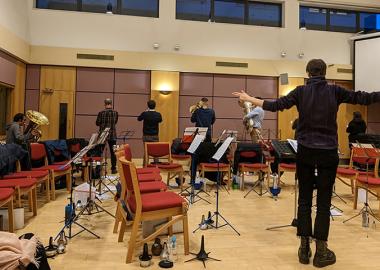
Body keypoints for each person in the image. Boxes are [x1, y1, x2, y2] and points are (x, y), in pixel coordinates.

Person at [233, 59, 380, 268]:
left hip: (305, 151)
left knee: (304, 201)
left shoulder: (300, 92)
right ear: (325, 72)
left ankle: (304, 249)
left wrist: (249, 98)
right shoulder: (335, 91)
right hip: (328, 151)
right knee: (323, 203)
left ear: (308, 73)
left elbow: (275, 105)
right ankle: (321, 251)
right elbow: (363, 98)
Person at [96, 98, 118, 174]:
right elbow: (115, 122)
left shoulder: (101, 113)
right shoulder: (115, 112)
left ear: (105, 104)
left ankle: (98, 169)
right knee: (113, 152)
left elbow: (97, 123)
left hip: (103, 135)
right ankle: (113, 169)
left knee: (100, 152)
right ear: (111, 103)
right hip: (112, 135)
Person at [137, 100, 162, 165]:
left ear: (148, 106)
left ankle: (144, 166)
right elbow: (160, 120)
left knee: (146, 152)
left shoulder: (145, 114)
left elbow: (139, 119)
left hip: (146, 136)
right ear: (155, 106)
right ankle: (156, 167)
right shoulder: (158, 114)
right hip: (155, 136)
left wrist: (145, 111)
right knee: (156, 152)